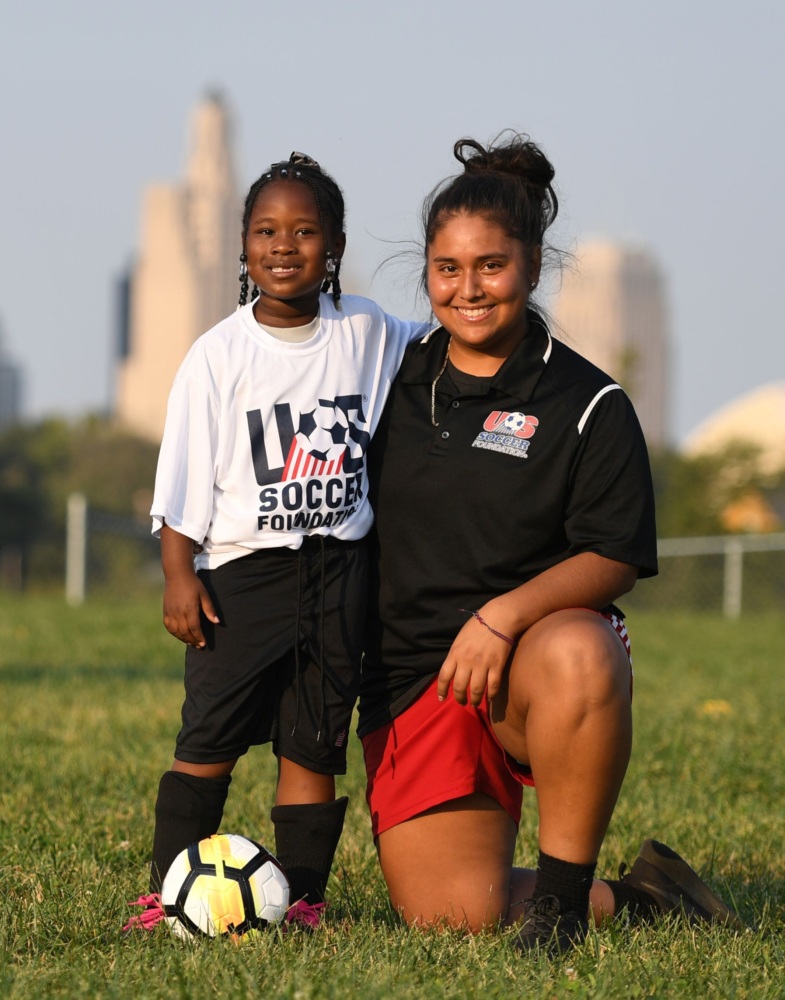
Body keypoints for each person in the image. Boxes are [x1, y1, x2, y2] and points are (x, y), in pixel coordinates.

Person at [358, 134, 744, 955]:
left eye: (490, 267)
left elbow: (613, 553)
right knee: (450, 913)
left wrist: (503, 616)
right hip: (411, 678)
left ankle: (561, 903)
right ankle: (645, 897)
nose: (467, 289)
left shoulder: (587, 401)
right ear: (426, 271)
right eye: (446, 269)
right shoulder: (385, 375)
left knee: (580, 647)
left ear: (533, 266)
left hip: (527, 670)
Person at [123, 152, 429, 933]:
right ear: (242, 245)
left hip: (338, 575)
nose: (283, 245)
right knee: (209, 739)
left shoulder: (365, 331)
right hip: (241, 578)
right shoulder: (218, 355)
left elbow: (438, 343)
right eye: (265, 230)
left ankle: (299, 901)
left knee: (313, 749)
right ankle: (168, 896)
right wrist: (177, 574)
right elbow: (183, 475)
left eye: (303, 230)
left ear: (334, 245)